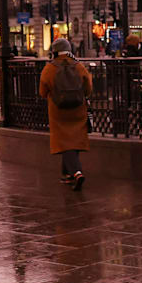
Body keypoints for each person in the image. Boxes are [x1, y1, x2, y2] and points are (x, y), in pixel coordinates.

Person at [38, 38, 93, 188]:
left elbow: (43, 92)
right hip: (78, 109)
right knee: (73, 140)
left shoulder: (50, 68)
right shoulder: (79, 66)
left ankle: (76, 173)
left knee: (65, 143)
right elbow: (88, 88)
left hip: (58, 111)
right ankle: (67, 175)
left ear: (54, 51)